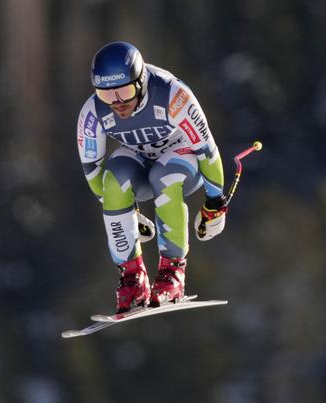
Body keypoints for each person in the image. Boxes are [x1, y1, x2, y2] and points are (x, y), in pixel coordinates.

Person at [76, 41, 227, 312]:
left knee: (165, 177)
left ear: (141, 81)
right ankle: (132, 276)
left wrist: (215, 203)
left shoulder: (172, 95)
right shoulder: (92, 112)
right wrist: (126, 213)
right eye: (106, 95)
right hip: (141, 158)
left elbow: (207, 151)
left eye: (124, 91)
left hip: (182, 158)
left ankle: (173, 272)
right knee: (114, 180)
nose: (117, 103)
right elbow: (93, 172)